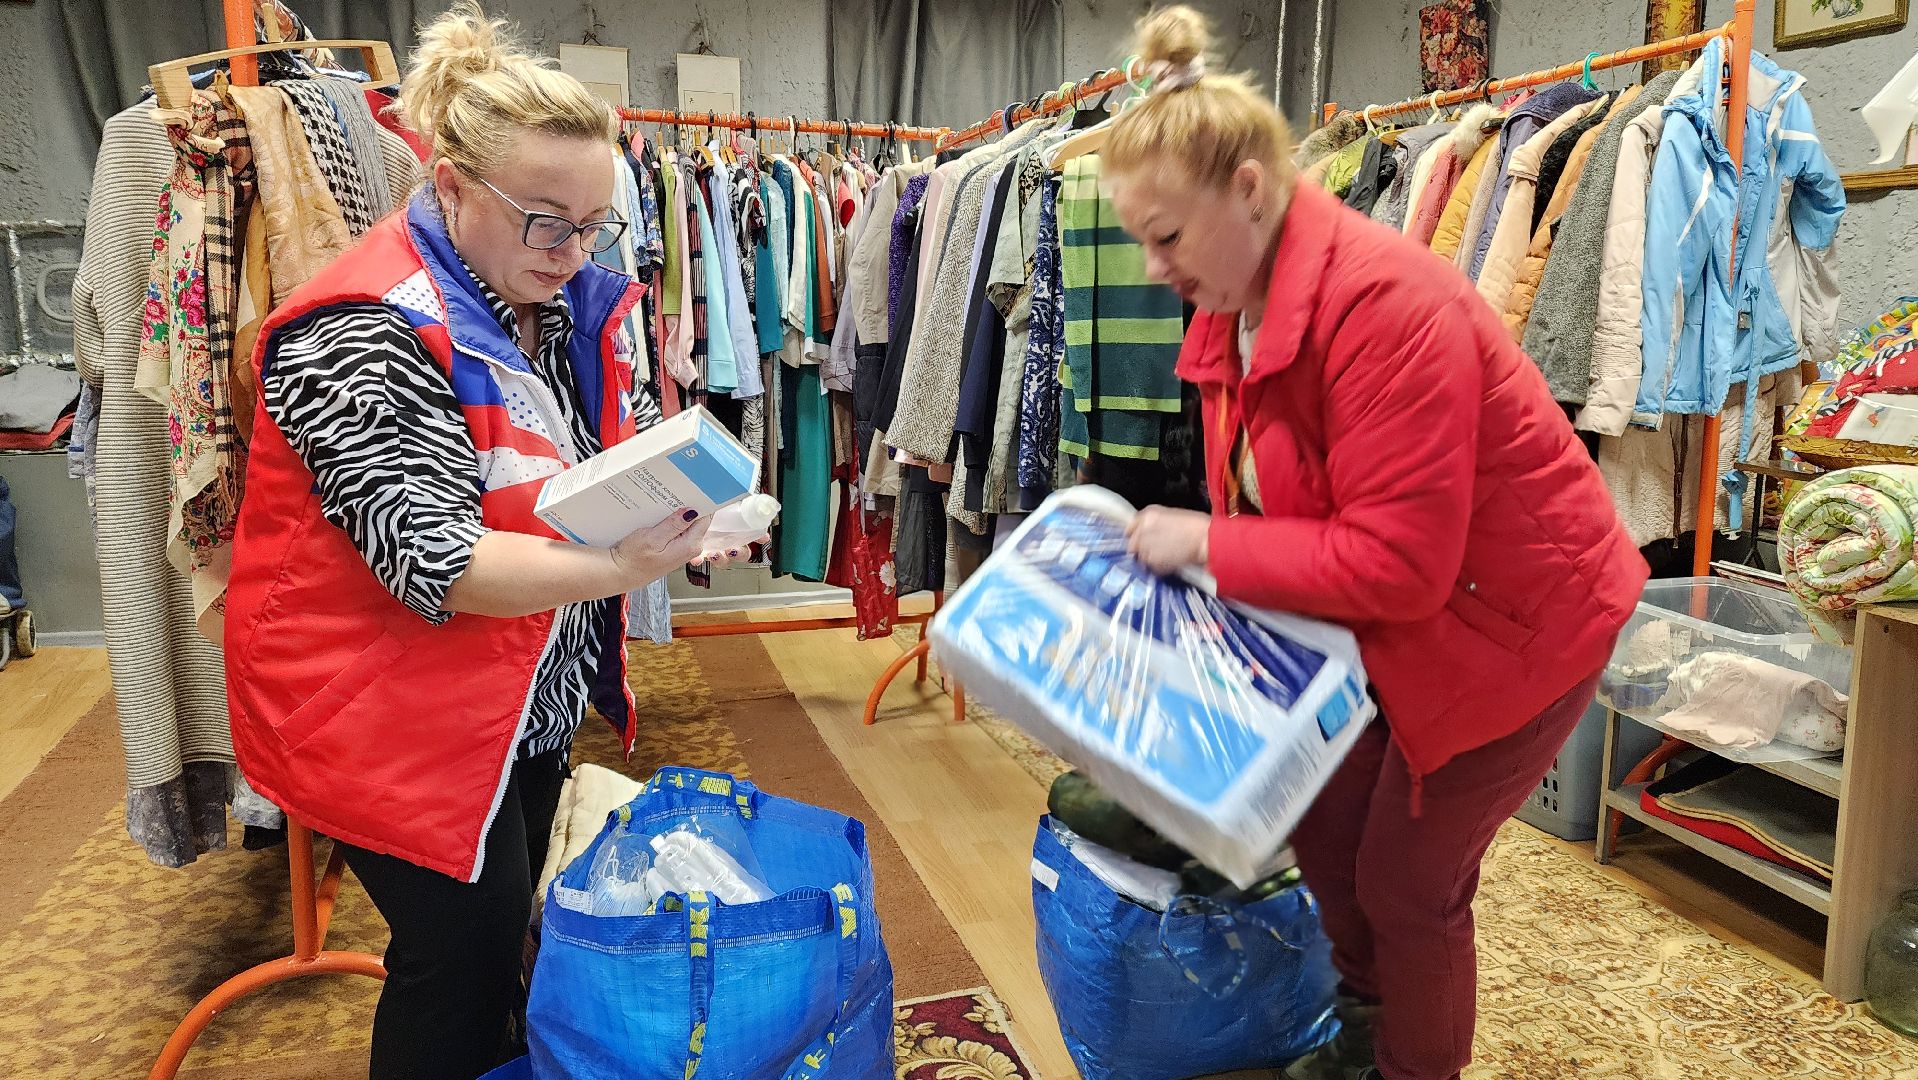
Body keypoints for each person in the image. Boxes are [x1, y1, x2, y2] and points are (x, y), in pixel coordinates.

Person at [1106, 9, 1649, 1080]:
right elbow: (1270, 503)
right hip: (1387, 621)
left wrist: (1205, 546)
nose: (1153, 265)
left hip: (1517, 626)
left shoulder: (1390, 308)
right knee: (1326, 825)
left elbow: (1399, 564)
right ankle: (1363, 1032)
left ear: (1250, 192)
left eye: (1165, 236)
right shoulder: (1227, 303)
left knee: (1412, 884)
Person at [223, 6, 752, 1077]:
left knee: (513, 930)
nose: (572, 251)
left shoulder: (548, 298)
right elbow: (439, 560)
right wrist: (619, 566)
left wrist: (681, 509)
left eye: (594, 224)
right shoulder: (358, 328)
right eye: (544, 220)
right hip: (379, 705)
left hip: (512, 683)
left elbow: (562, 476)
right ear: (449, 185)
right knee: (456, 954)